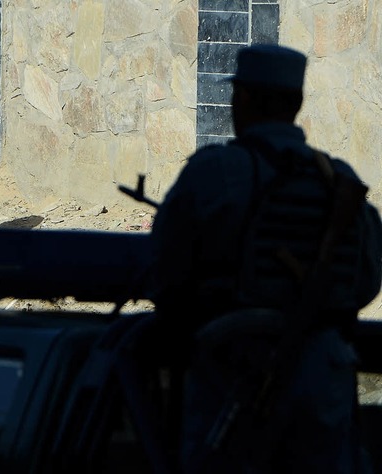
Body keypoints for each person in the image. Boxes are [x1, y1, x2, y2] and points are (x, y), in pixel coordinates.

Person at [149, 44, 382, 473]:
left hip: (231, 371)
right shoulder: (339, 181)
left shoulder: (214, 172)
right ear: (295, 104)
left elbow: (163, 273)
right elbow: (365, 281)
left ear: (247, 100)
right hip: (324, 377)